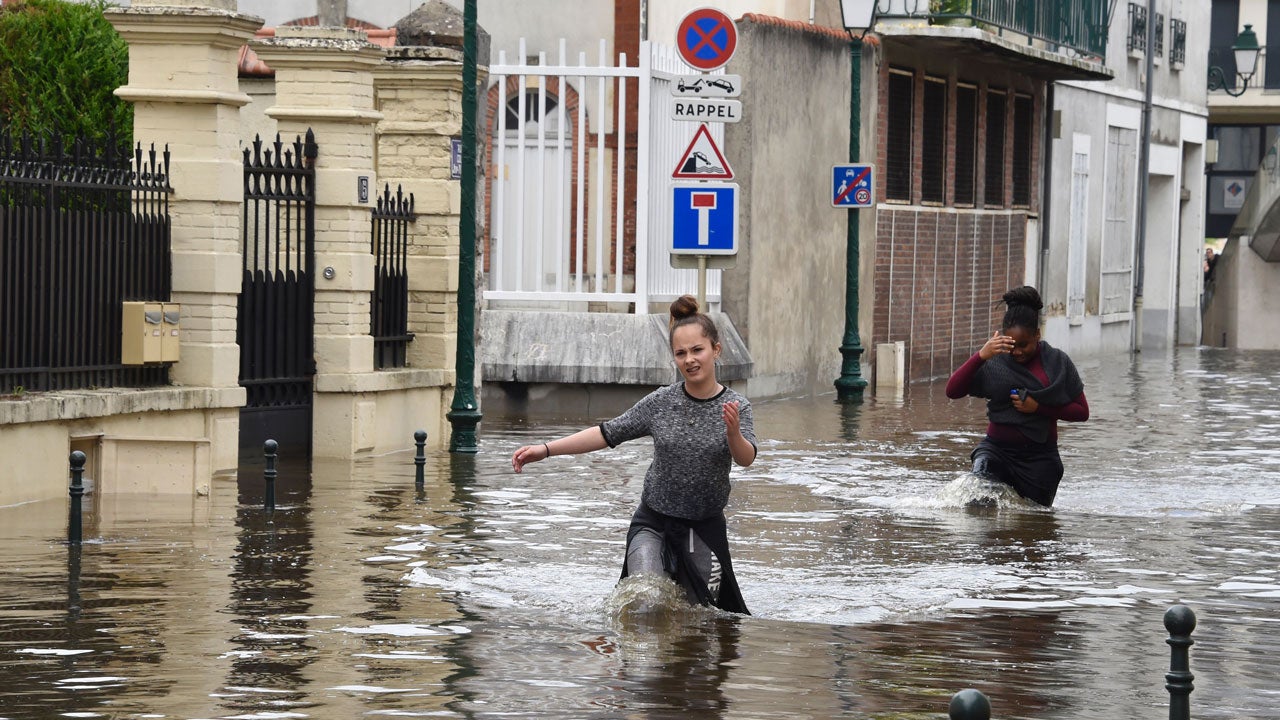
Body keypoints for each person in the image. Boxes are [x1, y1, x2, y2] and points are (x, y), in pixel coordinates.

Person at [511, 295, 758, 614]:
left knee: (706, 618)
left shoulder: (737, 406)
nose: (689, 360)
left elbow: (746, 458)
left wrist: (733, 433)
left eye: (697, 350)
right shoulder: (660, 403)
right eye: (680, 353)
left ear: (716, 350)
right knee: (643, 601)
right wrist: (545, 450)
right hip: (653, 522)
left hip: (703, 528)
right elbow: (607, 433)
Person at [944, 286, 1089, 507]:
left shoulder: (1058, 362)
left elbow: (1082, 412)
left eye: (1024, 345)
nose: (1018, 352)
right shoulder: (995, 361)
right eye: (1012, 345)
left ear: (1037, 335)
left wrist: (1038, 407)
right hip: (996, 451)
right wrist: (981, 355)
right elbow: (952, 391)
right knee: (978, 500)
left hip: (1040, 460)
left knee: (1034, 526)